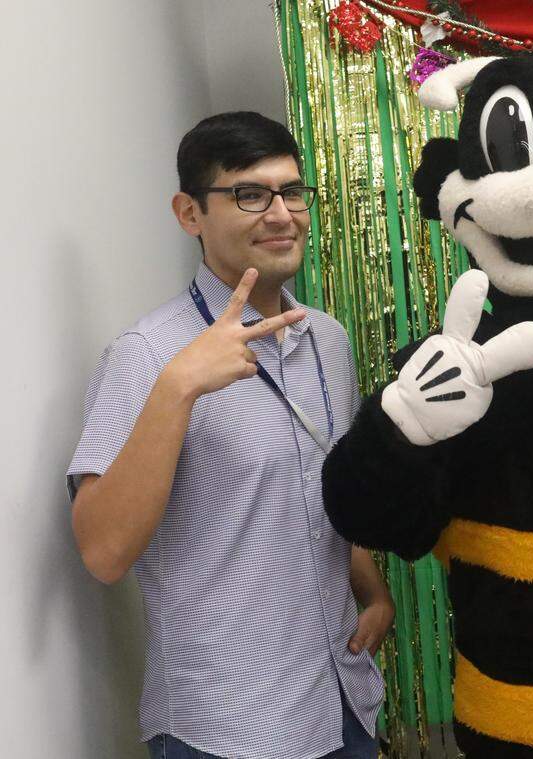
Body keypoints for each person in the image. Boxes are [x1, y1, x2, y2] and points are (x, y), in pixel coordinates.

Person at [67, 111, 392, 759]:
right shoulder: (148, 355)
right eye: (249, 194)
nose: (281, 213)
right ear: (190, 213)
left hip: (343, 702)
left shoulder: (325, 337)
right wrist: (178, 387)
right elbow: (103, 551)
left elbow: (317, 487)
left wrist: (371, 587)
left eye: (292, 191)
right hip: (228, 726)